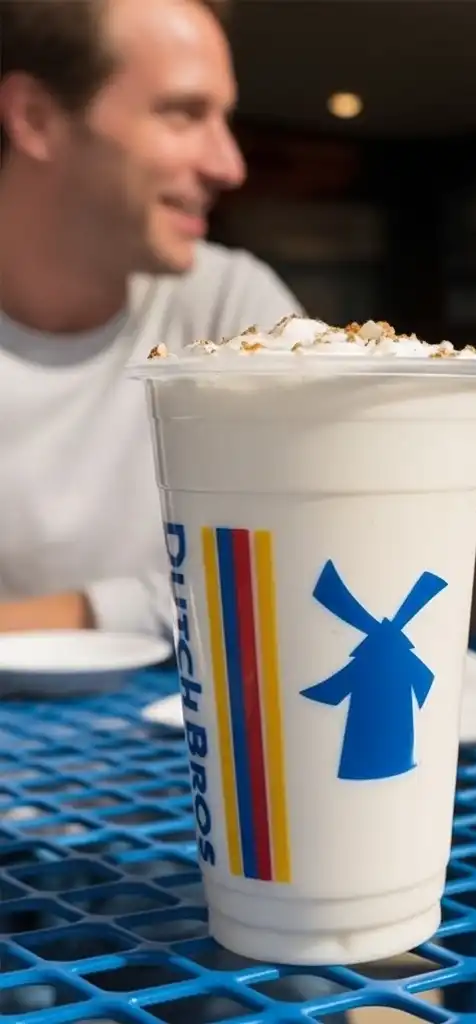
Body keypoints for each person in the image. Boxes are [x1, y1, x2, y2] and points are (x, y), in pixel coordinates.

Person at [0, 0, 303, 639]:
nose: (229, 165)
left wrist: (45, 619)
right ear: (36, 118)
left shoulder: (229, 307)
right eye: (184, 114)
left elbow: (312, 552)